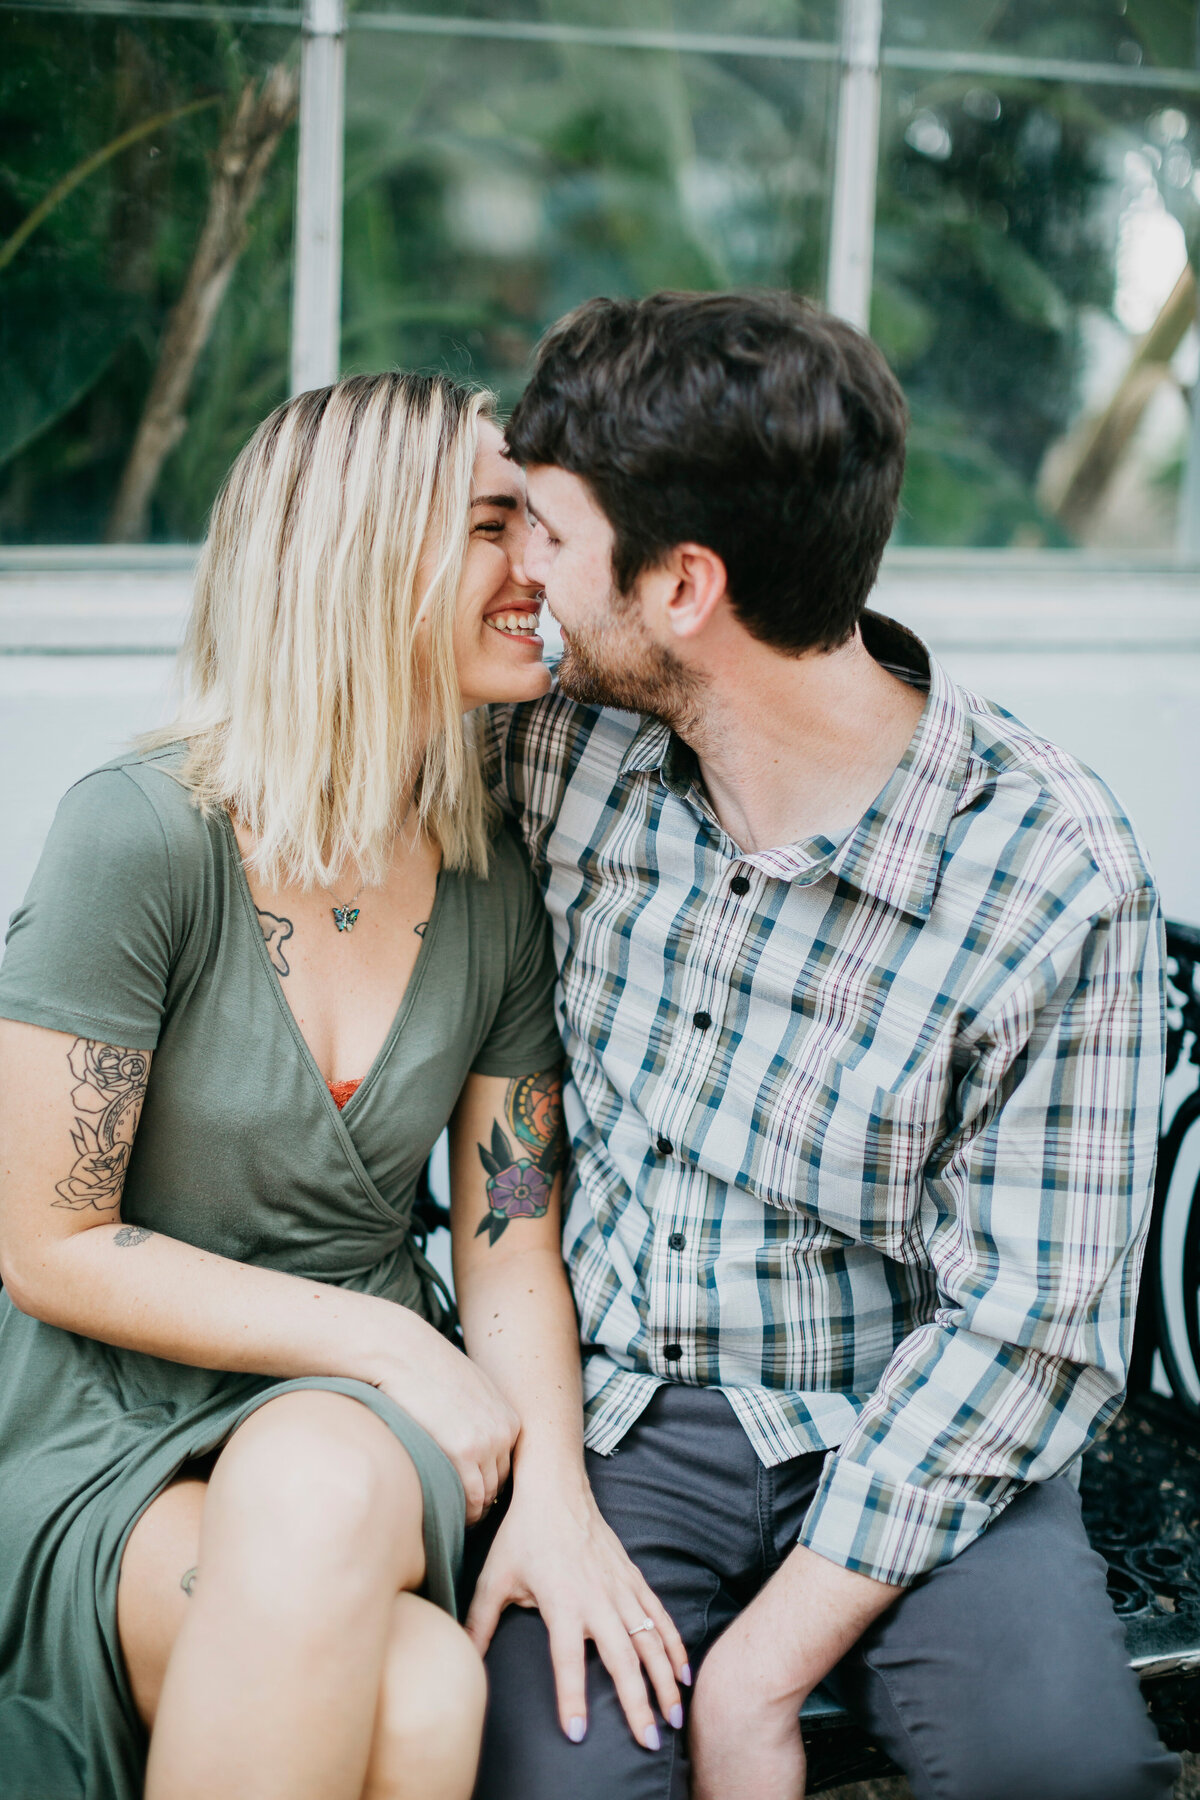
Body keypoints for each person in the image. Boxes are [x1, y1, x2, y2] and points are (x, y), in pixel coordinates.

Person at [468, 292, 1179, 1800]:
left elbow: (1030, 1328)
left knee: (1058, 1773)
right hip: (625, 1417)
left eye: (545, 529)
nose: (518, 565)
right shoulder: (555, 741)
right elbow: (313, 728)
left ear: (682, 589)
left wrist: (759, 1673)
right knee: (557, 1784)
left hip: (923, 1421)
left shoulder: (1052, 872)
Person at [0, 371, 688, 1800]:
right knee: (423, 1695)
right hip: (106, 1421)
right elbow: (46, 1246)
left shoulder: (498, 886)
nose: (540, 571)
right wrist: (391, 1347)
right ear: (370, 557)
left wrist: (554, 1499)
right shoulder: (141, 843)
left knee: (315, 1475)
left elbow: (511, 1249)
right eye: (497, 526)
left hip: (359, 1435)